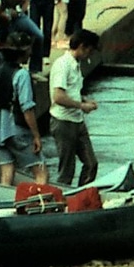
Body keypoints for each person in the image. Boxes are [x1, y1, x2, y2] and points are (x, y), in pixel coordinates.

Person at [0, 31, 47, 186]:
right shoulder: (21, 75)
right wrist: (36, 135)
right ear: (23, 52)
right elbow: (27, 108)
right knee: (40, 171)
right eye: (29, 49)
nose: (31, 52)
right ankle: (42, 203)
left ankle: (4, 204)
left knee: (7, 170)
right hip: (16, 129)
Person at [49, 28, 100, 185]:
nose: (90, 55)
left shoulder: (76, 65)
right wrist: (81, 106)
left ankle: (82, 193)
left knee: (91, 164)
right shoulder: (62, 65)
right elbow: (58, 96)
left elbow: (71, 91)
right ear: (82, 46)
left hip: (77, 121)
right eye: (89, 51)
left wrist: (84, 100)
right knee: (67, 170)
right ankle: (65, 199)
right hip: (64, 122)